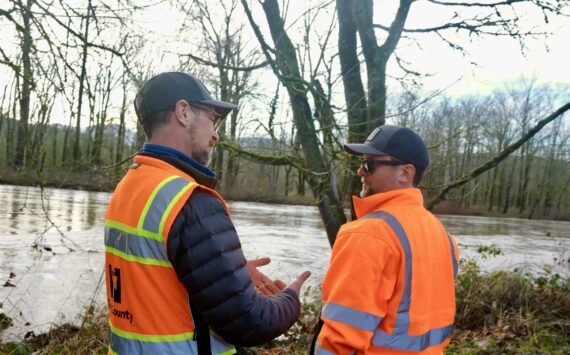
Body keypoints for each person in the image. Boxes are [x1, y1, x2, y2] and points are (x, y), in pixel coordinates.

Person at [104, 72, 311, 355]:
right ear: (184, 112)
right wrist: (290, 300)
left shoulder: (129, 187)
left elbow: (156, 282)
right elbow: (249, 322)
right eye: (213, 119)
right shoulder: (190, 201)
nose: (216, 135)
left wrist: (225, 273)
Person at [312, 125, 459, 354]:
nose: (361, 171)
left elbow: (340, 339)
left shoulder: (368, 235)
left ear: (405, 173)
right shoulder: (442, 236)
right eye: (361, 163)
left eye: (369, 164)